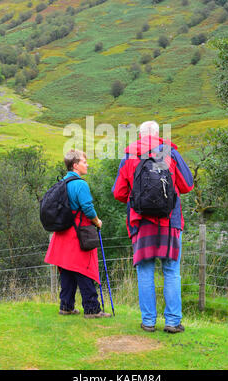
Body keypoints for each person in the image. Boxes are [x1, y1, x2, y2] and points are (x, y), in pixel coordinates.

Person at [112, 121, 194, 333]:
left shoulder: (129, 156)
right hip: (170, 221)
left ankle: (148, 322)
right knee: (171, 271)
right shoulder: (170, 153)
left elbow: (119, 193)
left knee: (145, 272)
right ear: (158, 135)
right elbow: (187, 185)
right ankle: (173, 322)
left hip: (141, 223)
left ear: (140, 135)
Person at [45, 149, 111, 318]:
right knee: (84, 269)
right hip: (78, 234)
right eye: (84, 162)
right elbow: (88, 209)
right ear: (75, 165)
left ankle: (66, 306)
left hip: (62, 234)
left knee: (67, 270)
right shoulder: (80, 184)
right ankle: (92, 309)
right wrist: (97, 221)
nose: (86, 164)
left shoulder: (62, 183)